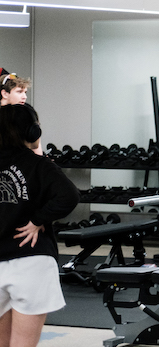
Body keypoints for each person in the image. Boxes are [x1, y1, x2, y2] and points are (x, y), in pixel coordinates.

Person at [1, 103, 80, 347]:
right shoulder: (39, 165)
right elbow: (70, 195)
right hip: (31, 262)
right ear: (33, 132)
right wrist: (37, 220)